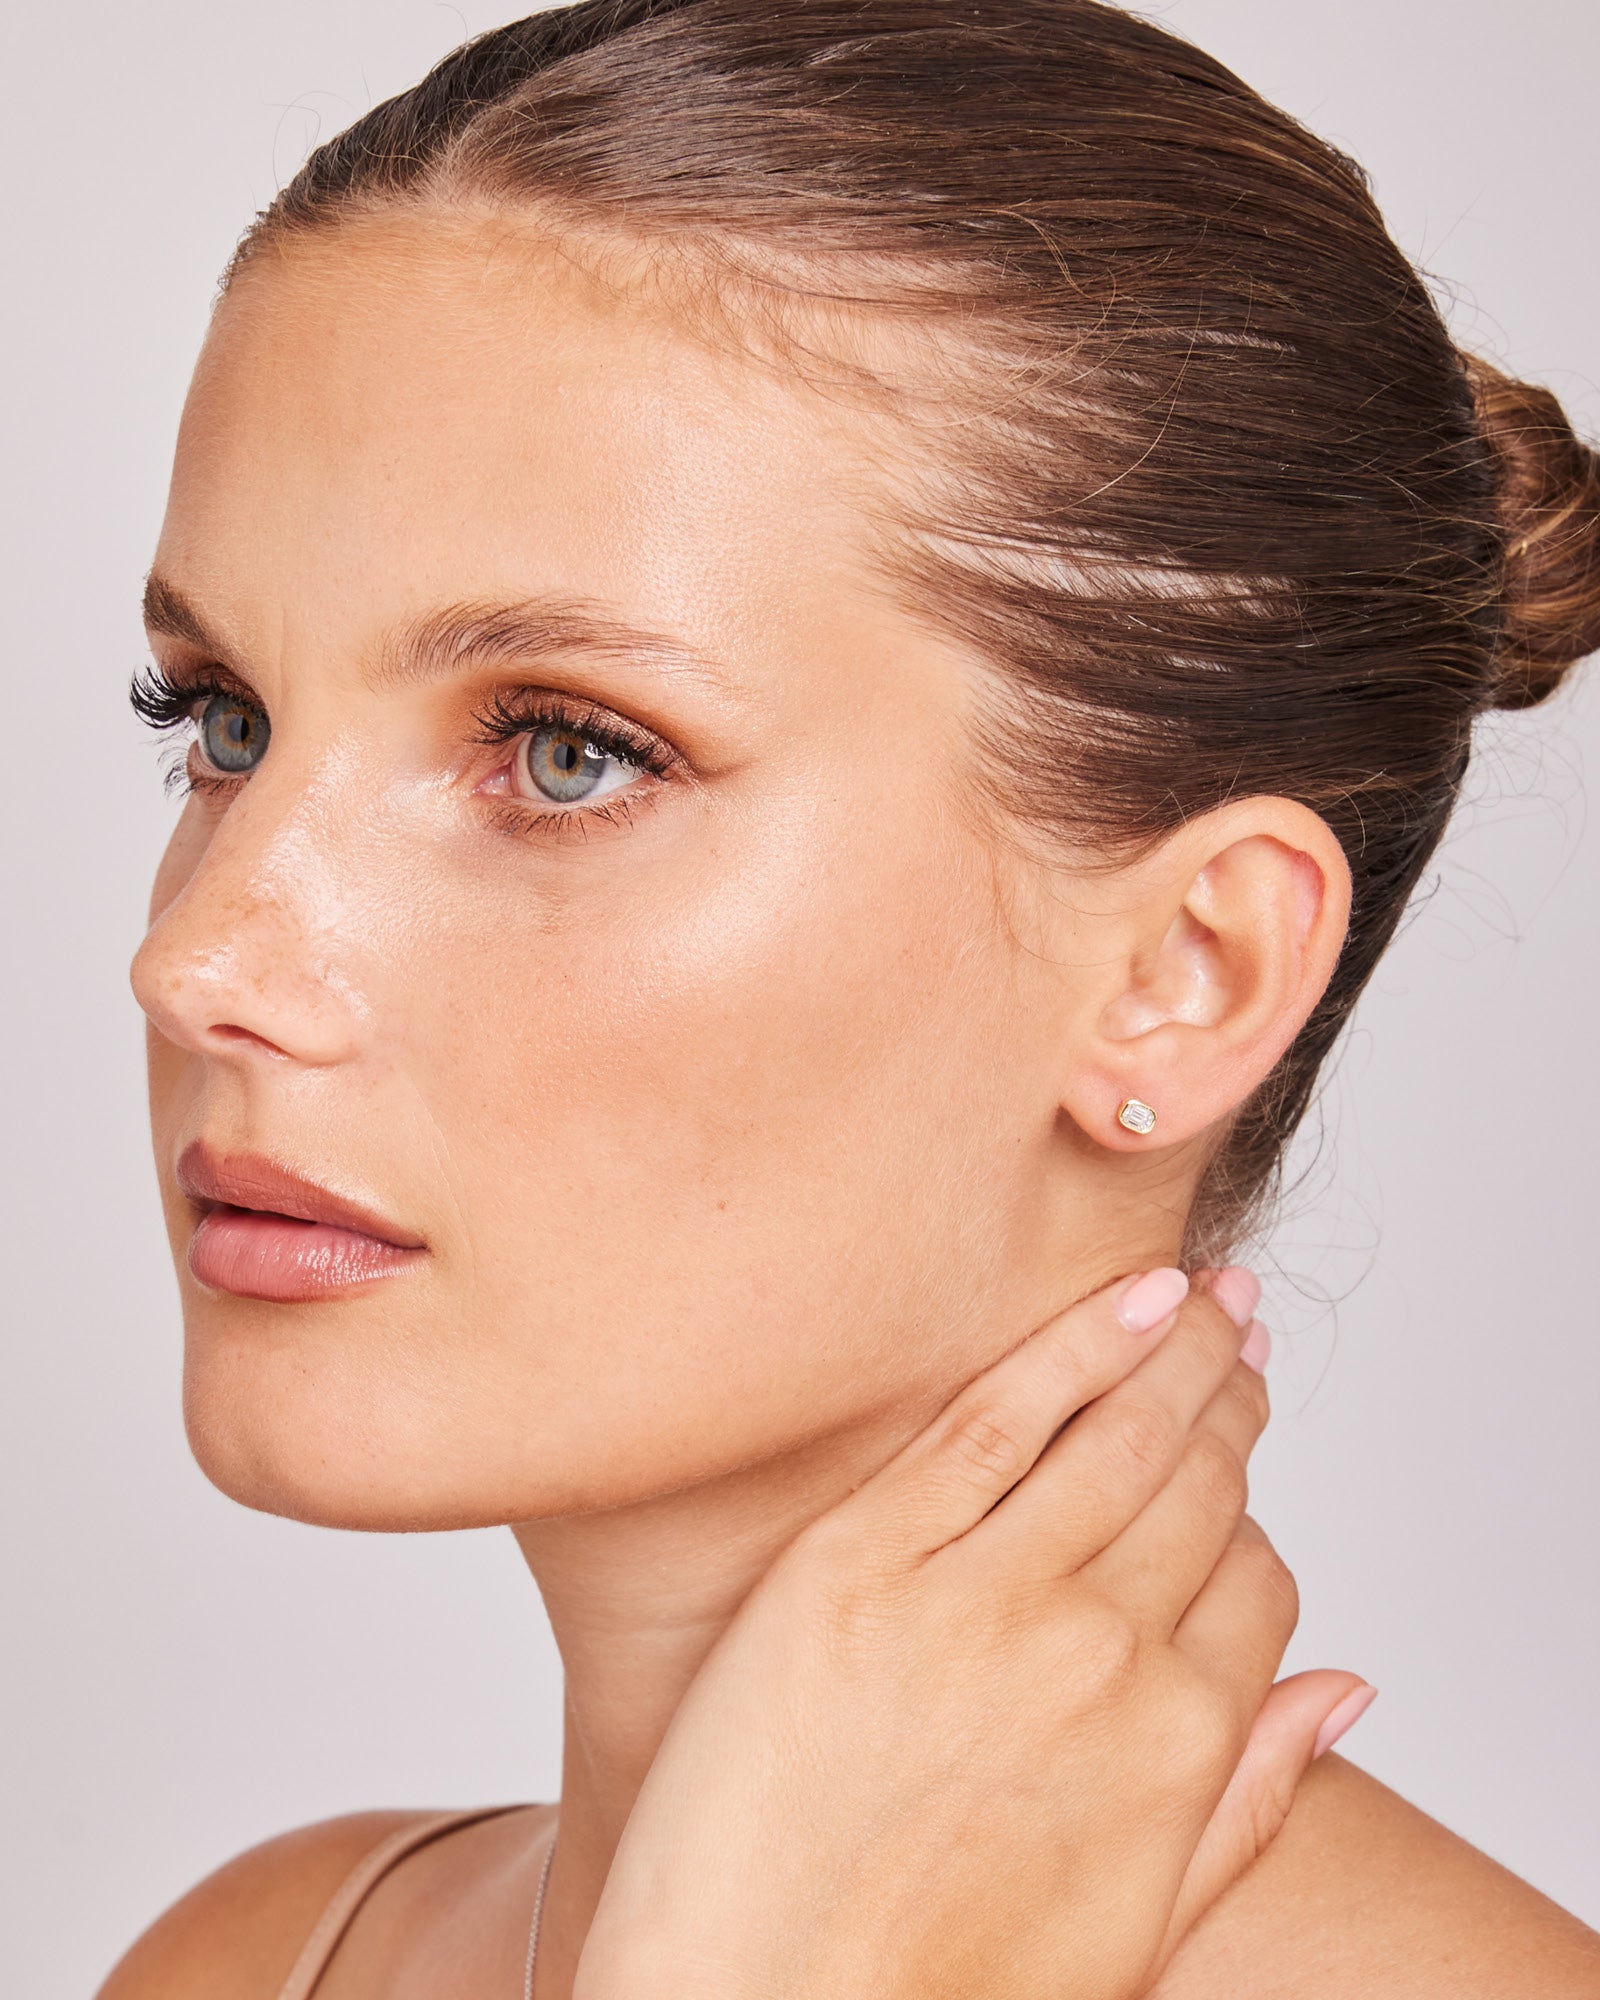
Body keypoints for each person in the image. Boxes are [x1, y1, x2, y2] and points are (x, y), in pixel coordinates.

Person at [100, 2, 1600, 1994]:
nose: (200, 961)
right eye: (225, 719)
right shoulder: (264, 1954)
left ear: (1186, 970)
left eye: (566, 753)